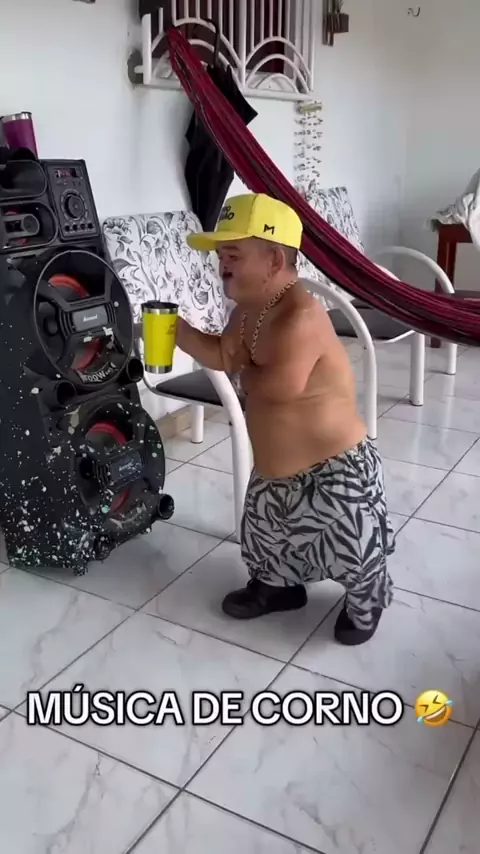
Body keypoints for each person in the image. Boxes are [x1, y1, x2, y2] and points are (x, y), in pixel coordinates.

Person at [176, 192, 395, 645]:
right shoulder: (248, 310)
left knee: (353, 546)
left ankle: (365, 602)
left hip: (334, 469)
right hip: (276, 470)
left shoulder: (301, 316)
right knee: (265, 533)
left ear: (275, 260)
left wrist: (243, 371)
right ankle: (276, 587)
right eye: (221, 256)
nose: (222, 265)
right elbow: (225, 355)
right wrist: (177, 331)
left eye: (233, 255)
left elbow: (277, 388)